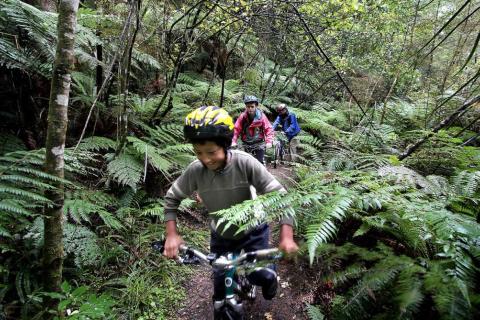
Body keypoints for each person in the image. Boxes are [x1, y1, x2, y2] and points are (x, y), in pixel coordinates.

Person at [163, 106, 298, 316]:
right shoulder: (195, 170)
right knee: (218, 288)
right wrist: (171, 235)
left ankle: (270, 278)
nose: (205, 159)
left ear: (225, 146)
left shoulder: (245, 163)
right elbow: (172, 199)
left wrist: (287, 236)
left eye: (211, 152)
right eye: (198, 152)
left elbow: (282, 197)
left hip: (253, 231)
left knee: (260, 276)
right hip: (221, 235)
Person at [231, 95, 274, 164]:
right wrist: (233, 141)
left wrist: (269, 141)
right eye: (248, 107)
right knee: (246, 163)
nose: (250, 108)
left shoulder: (261, 116)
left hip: (259, 143)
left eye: (252, 106)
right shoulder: (242, 117)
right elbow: (236, 129)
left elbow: (268, 128)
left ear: (256, 106)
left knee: (259, 163)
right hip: (246, 143)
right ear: (246, 107)